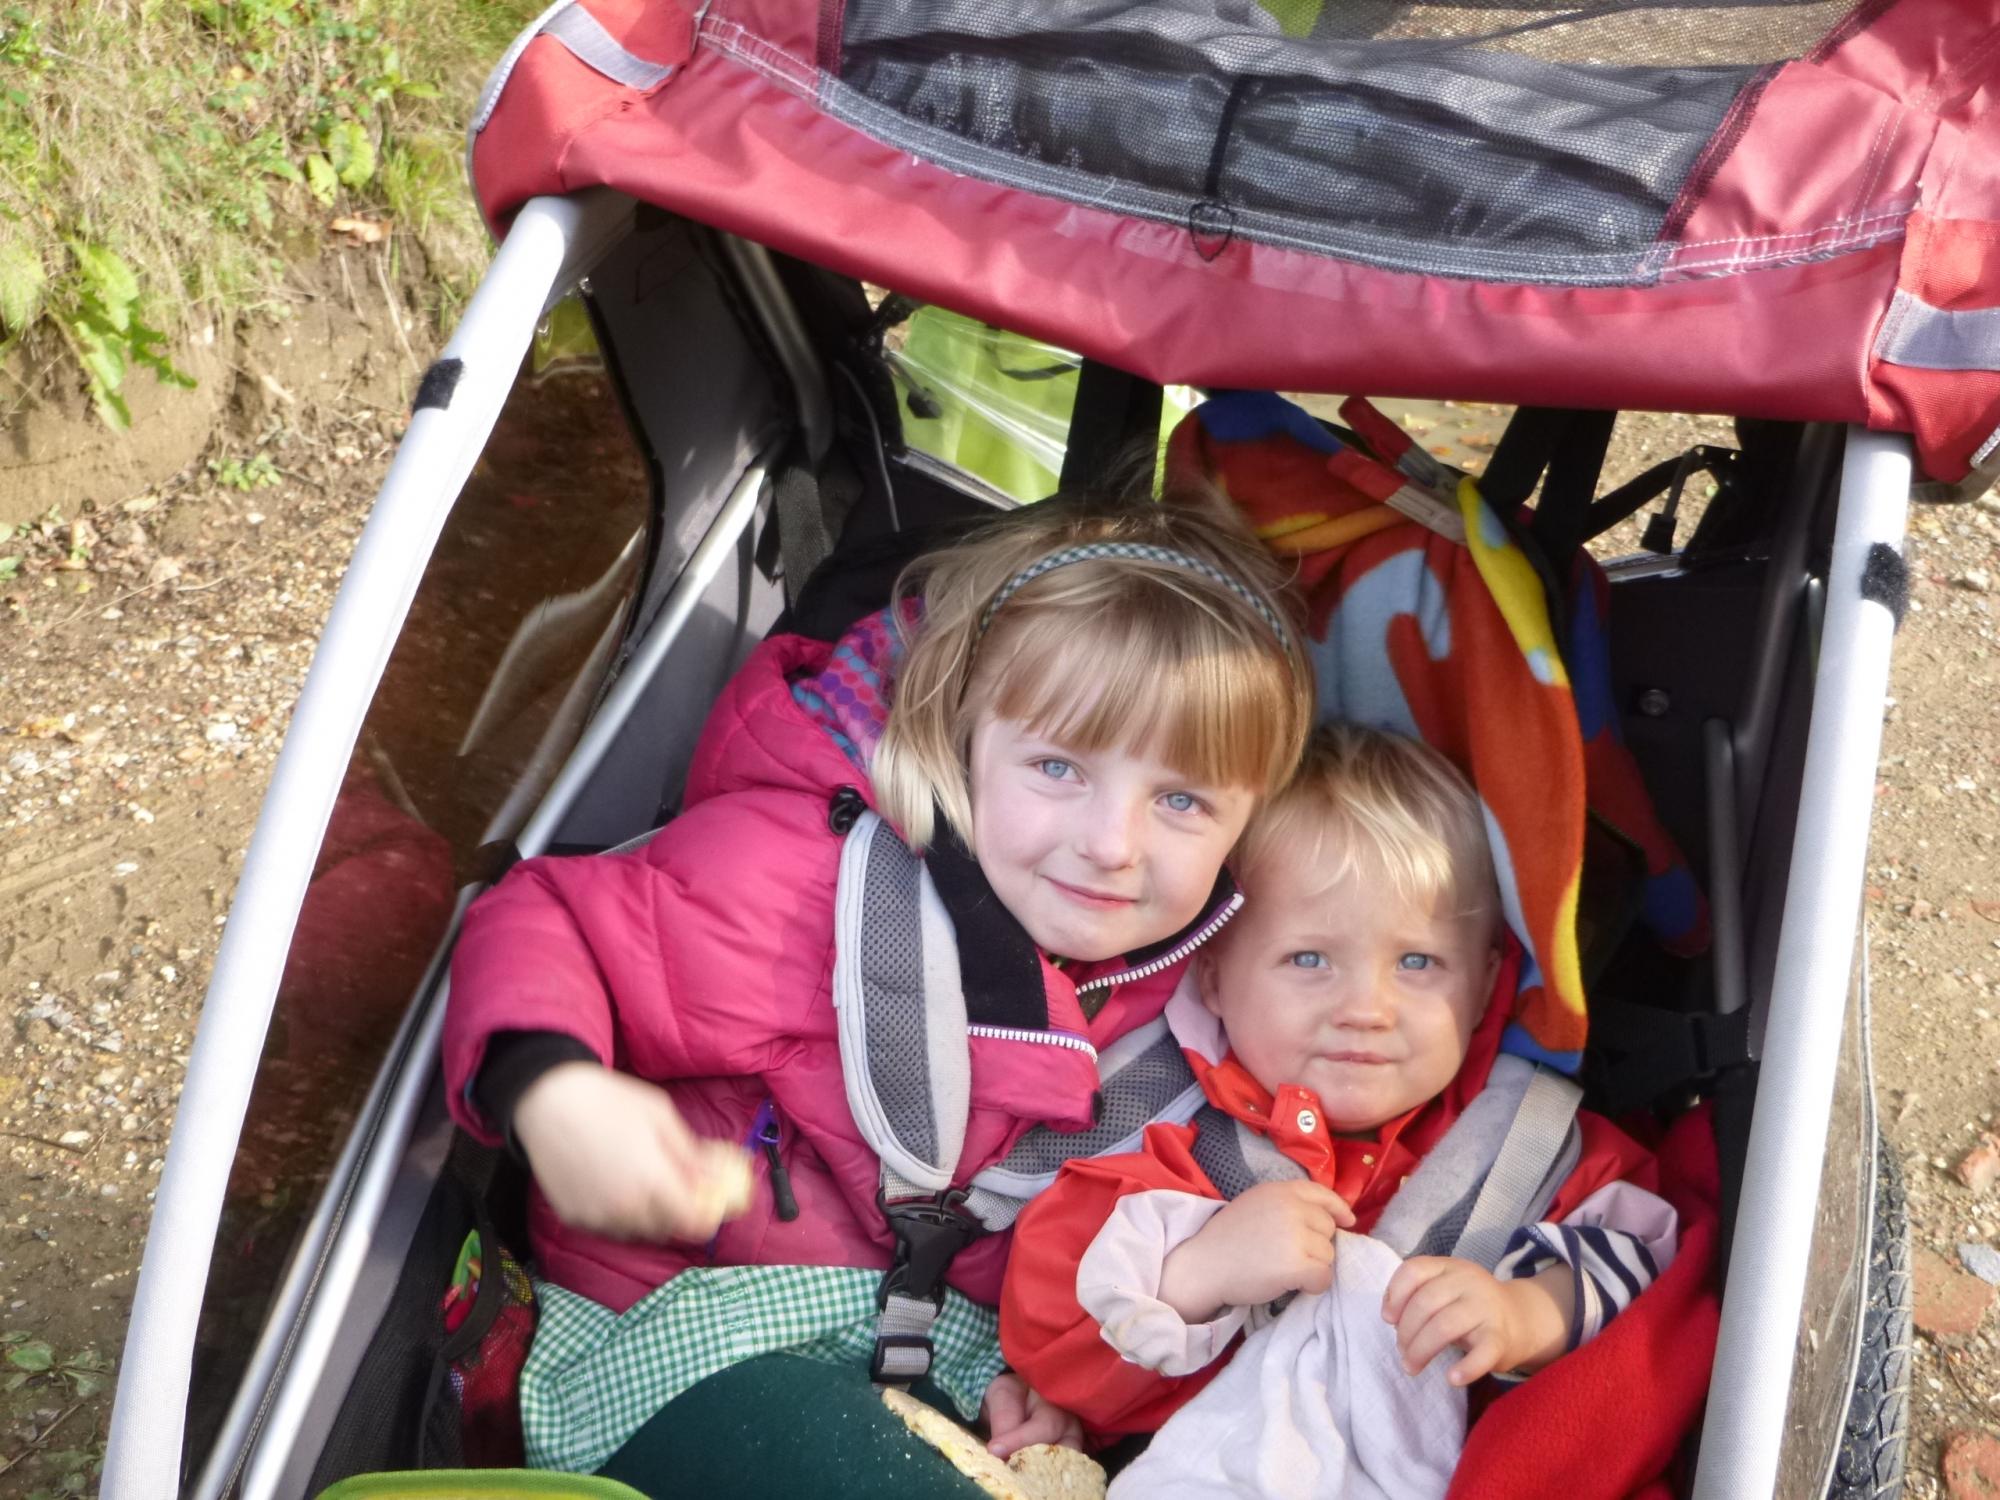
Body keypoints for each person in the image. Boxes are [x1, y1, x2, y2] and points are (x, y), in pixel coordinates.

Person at [439, 479, 1316, 1496]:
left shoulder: (1185, 1014)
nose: (1110, 845)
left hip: (934, 1382)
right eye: (1058, 770)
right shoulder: (798, 883)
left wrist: (1040, 1390)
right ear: (959, 737)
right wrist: (558, 1093)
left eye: (1178, 799)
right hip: (684, 1349)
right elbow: (548, 922)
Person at [999, 725, 1680, 1495]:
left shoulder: (1527, 1144)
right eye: (1309, 959)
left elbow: (1644, 1254)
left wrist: (1527, 1312)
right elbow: (1045, 1345)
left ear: (1489, 981)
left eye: (1418, 962)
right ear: (1215, 977)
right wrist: (1201, 1272)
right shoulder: (1164, 1132)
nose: (1366, 1008)